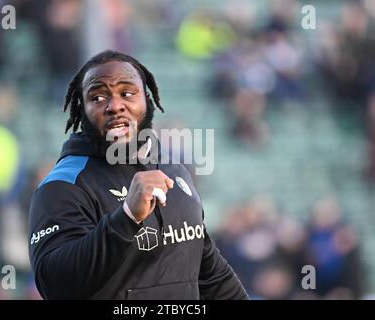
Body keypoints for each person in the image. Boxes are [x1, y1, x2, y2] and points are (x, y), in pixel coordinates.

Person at [28, 50, 248, 300]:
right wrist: (127, 218)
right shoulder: (63, 184)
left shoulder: (173, 170)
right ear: (82, 109)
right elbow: (55, 284)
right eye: (98, 97)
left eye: (127, 93)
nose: (115, 106)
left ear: (148, 99)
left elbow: (209, 271)